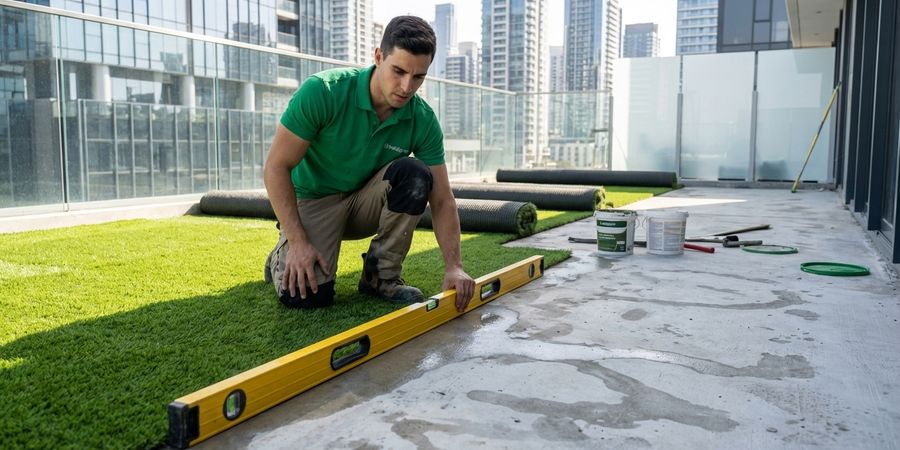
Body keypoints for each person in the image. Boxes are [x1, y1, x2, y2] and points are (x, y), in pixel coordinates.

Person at [263, 16, 475, 312]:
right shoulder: (323, 91)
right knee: (308, 298)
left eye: (418, 77)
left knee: (415, 174)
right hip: (314, 201)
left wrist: (455, 266)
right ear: (378, 56)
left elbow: (442, 200)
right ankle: (279, 256)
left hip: (365, 202)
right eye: (398, 71)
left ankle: (380, 277)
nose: (406, 87)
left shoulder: (422, 118)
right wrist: (298, 242)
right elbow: (275, 167)